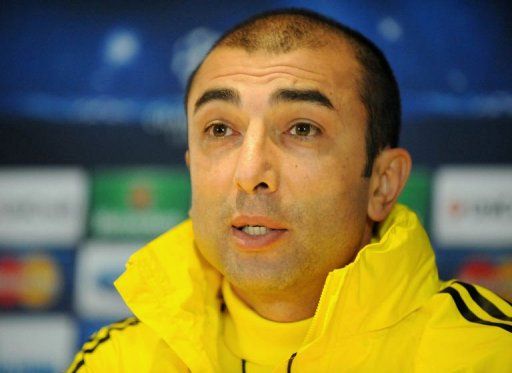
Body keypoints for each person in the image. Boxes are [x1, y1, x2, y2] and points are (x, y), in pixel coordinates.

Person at [67, 8, 511, 372]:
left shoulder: (485, 355)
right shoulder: (117, 361)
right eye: (220, 129)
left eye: (302, 128)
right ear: (191, 168)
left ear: (383, 183)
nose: (250, 172)